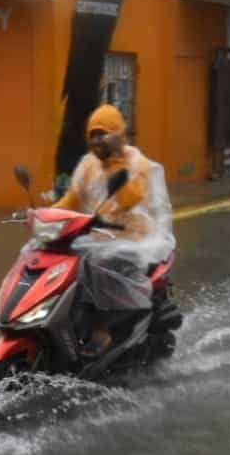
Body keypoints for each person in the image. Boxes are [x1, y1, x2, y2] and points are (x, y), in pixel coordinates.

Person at [52, 104, 175, 356]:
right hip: (99, 236)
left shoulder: (135, 163)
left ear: (119, 133)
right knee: (59, 260)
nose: (97, 140)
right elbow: (72, 199)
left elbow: (130, 198)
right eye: (93, 135)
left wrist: (116, 164)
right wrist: (47, 216)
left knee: (95, 265)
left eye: (103, 133)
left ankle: (102, 330)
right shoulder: (88, 164)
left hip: (133, 239)